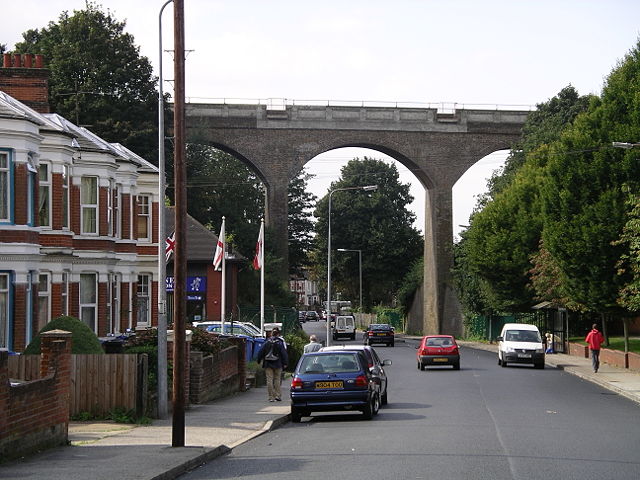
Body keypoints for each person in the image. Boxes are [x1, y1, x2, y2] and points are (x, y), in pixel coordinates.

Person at [256, 327, 288, 402]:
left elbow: (261, 352)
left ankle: (271, 397)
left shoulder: (267, 342)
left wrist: (259, 360)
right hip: (278, 363)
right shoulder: (280, 342)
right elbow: (284, 353)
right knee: (277, 379)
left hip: (268, 363)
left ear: (271, 334)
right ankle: (278, 395)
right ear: (278, 334)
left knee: (269, 380)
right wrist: (285, 363)